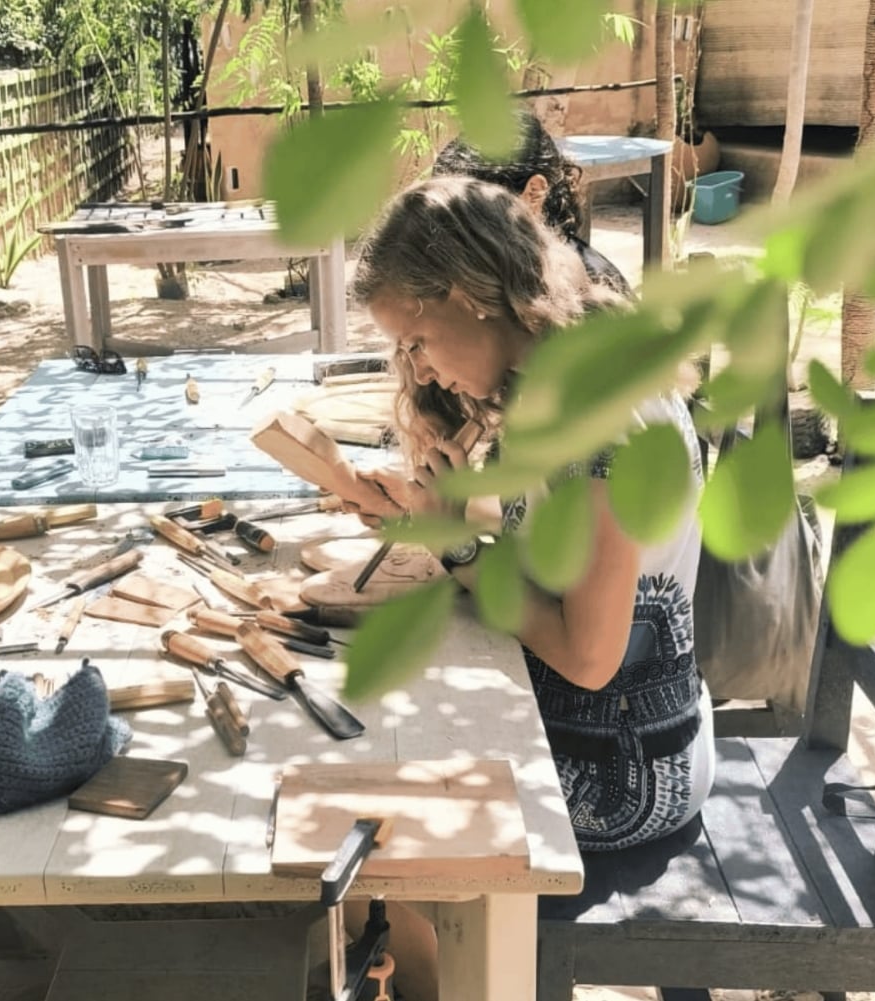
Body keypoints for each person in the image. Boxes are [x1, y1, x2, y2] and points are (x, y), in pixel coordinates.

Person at [346, 175, 713, 1001]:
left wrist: (468, 555)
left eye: (416, 340)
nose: (418, 366)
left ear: (472, 296)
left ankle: (461, 982)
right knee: (386, 742)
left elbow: (588, 655)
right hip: (615, 730)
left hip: (626, 773)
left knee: (382, 827)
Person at [432, 110, 635, 298]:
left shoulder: (585, 294)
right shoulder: (489, 276)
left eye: (470, 215)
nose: (454, 236)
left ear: (534, 192)